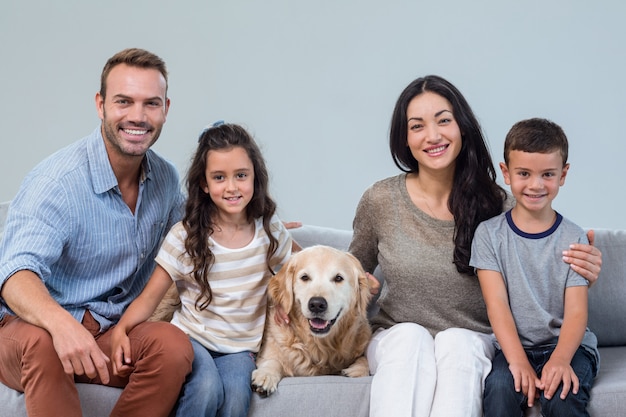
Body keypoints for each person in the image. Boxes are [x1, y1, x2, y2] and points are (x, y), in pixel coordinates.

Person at [348, 75, 603, 417]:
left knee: (458, 341)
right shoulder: (380, 200)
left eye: (443, 121)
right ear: (404, 139)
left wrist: (585, 267)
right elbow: (346, 271)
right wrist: (278, 245)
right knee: (411, 337)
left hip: (473, 340)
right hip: (397, 339)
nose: (433, 135)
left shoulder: (498, 206)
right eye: (417, 126)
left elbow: (542, 252)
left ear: (462, 128)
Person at [0, 48, 193, 417]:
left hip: (109, 333)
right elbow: (14, 275)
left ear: (166, 108)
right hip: (25, 329)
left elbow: (197, 232)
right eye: (124, 101)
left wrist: (259, 221)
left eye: (150, 103)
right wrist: (62, 326)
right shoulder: (56, 182)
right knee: (44, 342)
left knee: (171, 345)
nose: (137, 116)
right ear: (100, 104)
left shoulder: (165, 179)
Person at [111, 122, 293, 417]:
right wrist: (121, 329)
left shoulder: (269, 232)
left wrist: (284, 302)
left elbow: (292, 274)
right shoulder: (185, 236)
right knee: (206, 387)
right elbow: (149, 298)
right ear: (204, 184)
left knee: (235, 399)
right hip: (192, 340)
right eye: (219, 177)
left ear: (255, 178)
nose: (232, 187)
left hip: (239, 349)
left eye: (241, 176)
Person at [470, 118, 598, 416]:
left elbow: (577, 311)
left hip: (569, 347)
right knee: (500, 391)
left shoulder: (573, 237)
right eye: (524, 173)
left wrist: (561, 359)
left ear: (563, 175)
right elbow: (497, 304)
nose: (536, 185)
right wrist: (516, 360)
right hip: (514, 347)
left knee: (562, 397)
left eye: (548, 174)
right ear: (506, 172)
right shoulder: (489, 235)